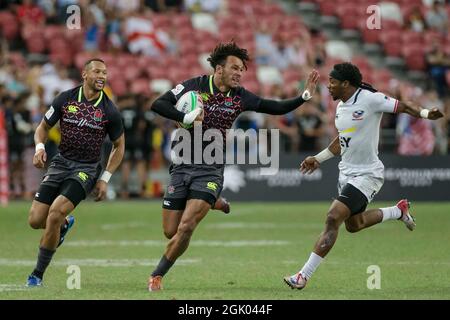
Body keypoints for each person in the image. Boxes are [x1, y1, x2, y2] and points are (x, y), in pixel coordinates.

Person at [148, 41, 319, 291]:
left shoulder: (240, 97)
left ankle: (157, 275)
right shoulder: (192, 87)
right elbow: (158, 104)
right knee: (169, 230)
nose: (239, 73)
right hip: (182, 164)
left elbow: (274, 107)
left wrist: (303, 96)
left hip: (211, 168)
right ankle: (213, 200)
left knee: (186, 227)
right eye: (235, 68)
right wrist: (184, 117)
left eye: (242, 69)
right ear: (219, 69)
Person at [283, 62, 444, 290]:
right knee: (354, 225)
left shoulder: (370, 99)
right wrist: (317, 158)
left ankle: (302, 276)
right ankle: (398, 211)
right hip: (346, 174)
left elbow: (404, 106)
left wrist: (426, 113)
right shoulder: (341, 108)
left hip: (368, 174)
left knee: (332, 217)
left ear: (346, 84)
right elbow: (342, 140)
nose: (328, 86)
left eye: (333, 82)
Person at [26, 59, 125, 287]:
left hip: (86, 170)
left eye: (105, 73)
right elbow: (42, 127)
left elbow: (120, 146)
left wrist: (105, 178)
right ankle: (63, 224)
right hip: (60, 163)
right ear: (84, 74)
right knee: (35, 220)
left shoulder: (109, 110)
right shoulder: (65, 99)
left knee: (54, 213)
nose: (102, 76)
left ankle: (37, 275)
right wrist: (40, 148)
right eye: (97, 71)